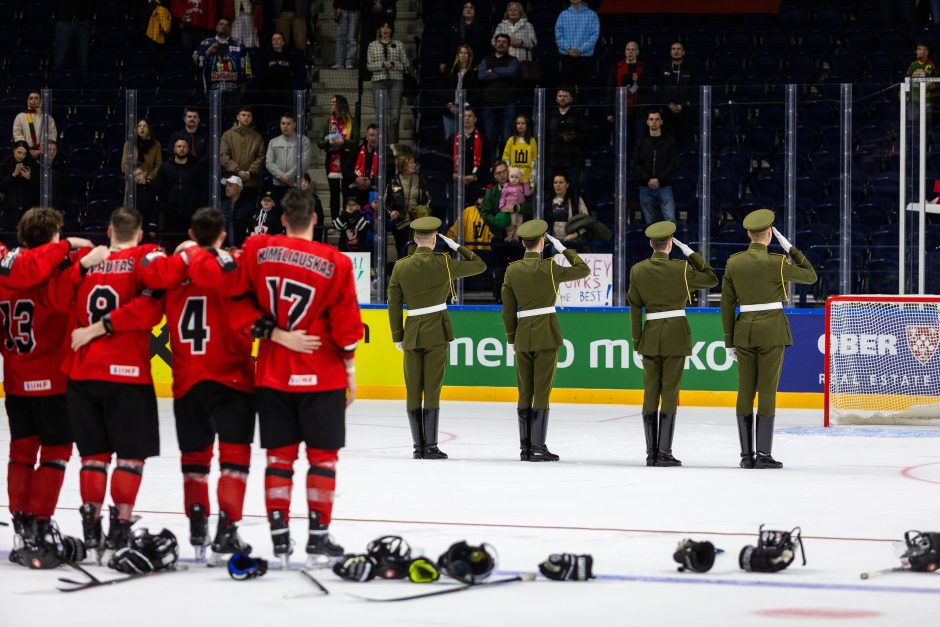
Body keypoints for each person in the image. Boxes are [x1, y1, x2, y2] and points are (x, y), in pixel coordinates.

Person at [187, 188, 363, 569]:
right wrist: (349, 370)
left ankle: (280, 540)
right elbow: (347, 329)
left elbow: (234, 300)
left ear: (282, 219)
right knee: (323, 460)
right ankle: (317, 539)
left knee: (279, 459)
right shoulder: (335, 261)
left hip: (273, 373)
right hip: (322, 372)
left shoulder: (257, 248)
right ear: (315, 219)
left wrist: (271, 332)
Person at [127, 207, 312, 563]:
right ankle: (226, 532)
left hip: (186, 381)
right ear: (224, 235)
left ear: (191, 234)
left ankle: (197, 528)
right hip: (234, 379)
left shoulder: (173, 274)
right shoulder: (235, 270)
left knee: (194, 462)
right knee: (234, 462)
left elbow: (147, 294)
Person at [50, 207, 165, 564]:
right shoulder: (145, 257)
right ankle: (119, 527)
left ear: (109, 231)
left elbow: (55, 299)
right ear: (140, 233)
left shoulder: (87, 260)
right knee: (130, 458)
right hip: (126, 373)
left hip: (82, 373)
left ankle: (90, 528)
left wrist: (80, 266)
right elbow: (150, 311)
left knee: (93, 458)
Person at [3, 209, 100, 568]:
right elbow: (63, 295)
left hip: (15, 380)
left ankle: (21, 525)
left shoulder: (9, 275)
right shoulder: (49, 276)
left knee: (21, 453)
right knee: (56, 453)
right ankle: (41, 525)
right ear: (53, 238)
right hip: (52, 381)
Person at [721, 209, 817, 469]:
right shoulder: (777, 261)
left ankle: (745, 456)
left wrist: (729, 340)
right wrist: (790, 249)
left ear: (749, 234)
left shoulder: (734, 262)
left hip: (744, 332)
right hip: (772, 330)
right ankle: (763, 455)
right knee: (766, 391)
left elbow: (727, 305)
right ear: (769, 236)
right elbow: (810, 275)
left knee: (744, 390)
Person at [387, 214, 487, 459]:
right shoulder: (444, 262)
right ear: (434, 239)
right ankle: (430, 446)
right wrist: (456, 246)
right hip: (436, 332)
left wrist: (397, 336)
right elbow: (480, 264)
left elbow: (393, 304)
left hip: (411, 333)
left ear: (413, 239)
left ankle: (417, 447)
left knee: (413, 389)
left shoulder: (401, 266)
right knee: (432, 389)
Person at [628, 221, 718, 467]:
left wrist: (637, 342)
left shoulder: (637, 270)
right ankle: (664, 452)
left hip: (650, 335)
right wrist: (689, 252)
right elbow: (711, 278)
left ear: (650, 243)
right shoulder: (681, 268)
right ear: (670, 244)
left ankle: (651, 453)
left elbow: (635, 310)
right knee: (669, 393)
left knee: (650, 392)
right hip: (676, 335)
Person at [501, 219, 589, 462]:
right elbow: (583, 269)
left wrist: (511, 337)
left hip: (522, 335)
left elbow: (507, 310)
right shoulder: (551, 268)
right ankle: (538, 446)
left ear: (521, 242)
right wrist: (561, 247)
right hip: (546, 334)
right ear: (542, 242)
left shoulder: (512, 269)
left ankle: (526, 448)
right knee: (541, 391)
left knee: (524, 391)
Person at [366, 20, 412, 146]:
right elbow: (369, 66)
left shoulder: (398, 44)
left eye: (388, 27)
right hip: (378, 81)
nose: (385, 30)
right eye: (383, 27)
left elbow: (406, 65)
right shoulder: (372, 45)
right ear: (379, 30)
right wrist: (382, 64)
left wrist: (393, 64)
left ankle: (392, 144)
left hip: (396, 81)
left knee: (395, 115)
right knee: (380, 115)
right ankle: (382, 144)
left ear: (391, 30)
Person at [477, 34, 521, 157]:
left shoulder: (513, 60)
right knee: (490, 138)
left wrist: (494, 70)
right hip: (489, 103)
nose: (501, 44)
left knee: (508, 138)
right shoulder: (486, 60)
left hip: (508, 103)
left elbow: (512, 72)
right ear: (494, 44)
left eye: (504, 42)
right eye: (499, 41)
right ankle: (490, 168)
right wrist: (502, 72)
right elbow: (481, 76)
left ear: (508, 45)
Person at [318, 95, 358, 223]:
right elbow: (320, 142)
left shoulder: (352, 121)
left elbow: (356, 142)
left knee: (347, 192)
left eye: (334, 102)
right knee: (334, 193)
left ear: (341, 105)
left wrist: (343, 143)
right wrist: (329, 143)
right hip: (332, 159)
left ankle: (347, 220)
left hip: (347, 159)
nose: (331, 104)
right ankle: (335, 222)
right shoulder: (327, 122)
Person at [154, 138, 204, 240]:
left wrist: (197, 207)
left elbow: (202, 188)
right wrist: (164, 206)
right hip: (170, 215)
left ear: (189, 149)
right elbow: (158, 188)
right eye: (179, 146)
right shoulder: (165, 167)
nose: (182, 149)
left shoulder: (196, 167)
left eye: (184, 146)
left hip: (191, 214)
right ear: (174, 149)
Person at [634, 110, 677, 225]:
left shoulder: (669, 142)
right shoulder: (641, 142)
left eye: (657, 119)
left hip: (664, 186)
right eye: (651, 119)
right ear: (647, 122)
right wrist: (648, 179)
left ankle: (669, 243)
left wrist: (659, 179)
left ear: (661, 122)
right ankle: (653, 244)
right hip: (645, 186)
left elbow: (673, 164)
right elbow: (636, 164)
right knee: (650, 222)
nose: (654, 122)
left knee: (670, 219)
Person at [385, 154, 430, 258]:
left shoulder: (420, 179)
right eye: (411, 163)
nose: (414, 165)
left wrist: (422, 210)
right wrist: (391, 211)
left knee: (416, 247)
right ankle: (402, 270)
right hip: (400, 220)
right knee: (401, 248)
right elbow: (385, 201)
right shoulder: (393, 181)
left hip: (416, 218)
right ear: (403, 166)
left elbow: (428, 198)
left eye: (414, 162)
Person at [121, 119, 163, 228]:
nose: (142, 128)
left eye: (145, 126)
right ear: (136, 129)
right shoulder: (129, 144)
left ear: (149, 129)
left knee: (149, 210)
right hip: (132, 183)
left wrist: (148, 177)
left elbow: (159, 165)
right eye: (139, 126)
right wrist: (136, 175)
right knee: (130, 214)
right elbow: (124, 165)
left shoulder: (156, 145)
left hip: (149, 183)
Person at [265, 112, 313, 205]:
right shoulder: (273, 142)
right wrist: (281, 176)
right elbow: (269, 162)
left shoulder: (304, 141)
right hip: (277, 185)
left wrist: (288, 176)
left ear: (294, 125)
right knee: (278, 215)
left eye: (288, 123)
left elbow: (305, 161)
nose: (285, 126)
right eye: (283, 123)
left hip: (296, 185)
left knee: (294, 215)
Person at [606, 40, 645, 153]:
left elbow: (649, 87)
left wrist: (639, 80)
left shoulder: (643, 67)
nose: (630, 52)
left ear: (637, 52)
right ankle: (624, 166)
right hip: (621, 110)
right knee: (623, 140)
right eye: (628, 49)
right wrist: (609, 111)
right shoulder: (617, 67)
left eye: (633, 49)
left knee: (639, 139)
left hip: (639, 111)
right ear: (625, 52)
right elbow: (610, 90)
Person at [554, 0, 599, 96]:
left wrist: (581, 50)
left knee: (584, 91)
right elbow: (558, 35)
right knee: (566, 90)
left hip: (585, 59)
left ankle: (583, 110)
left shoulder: (592, 15)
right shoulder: (563, 15)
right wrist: (568, 49)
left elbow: (594, 36)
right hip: (567, 58)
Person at [194, 17, 251, 92]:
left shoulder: (239, 44)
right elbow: (195, 61)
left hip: (234, 90)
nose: (224, 26)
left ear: (229, 29)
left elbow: (247, 64)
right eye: (221, 24)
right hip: (212, 90)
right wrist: (208, 52)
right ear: (216, 28)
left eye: (227, 25)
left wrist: (245, 83)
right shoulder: (206, 43)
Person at [655, 42, 695, 148]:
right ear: (670, 52)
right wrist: (668, 104)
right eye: (673, 49)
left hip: (685, 111)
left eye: (679, 49)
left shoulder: (690, 69)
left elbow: (694, 91)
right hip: (668, 111)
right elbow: (659, 90)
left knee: (685, 142)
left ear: (683, 52)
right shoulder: (663, 68)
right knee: (668, 142)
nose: (676, 51)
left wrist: (682, 105)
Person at [220, 107, 265, 198]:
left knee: (249, 210)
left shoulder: (257, 136)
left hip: (251, 182)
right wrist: (238, 171)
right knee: (230, 210)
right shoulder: (227, 135)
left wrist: (250, 172)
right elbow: (224, 156)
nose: (246, 117)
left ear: (252, 118)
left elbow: (261, 156)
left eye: (249, 115)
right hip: (232, 180)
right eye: (243, 115)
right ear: (237, 117)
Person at [546, 87, 584, 192]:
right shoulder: (549, 115)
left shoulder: (577, 115)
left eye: (566, 96)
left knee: (573, 191)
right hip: (553, 161)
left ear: (571, 98)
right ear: (556, 98)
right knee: (551, 192)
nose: (562, 98)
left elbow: (586, 136)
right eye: (560, 96)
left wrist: (574, 137)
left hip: (572, 161)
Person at [450, 109, 488, 210]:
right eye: (464, 116)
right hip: (456, 183)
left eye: (470, 116)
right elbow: (446, 160)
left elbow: (487, 162)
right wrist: (453, 175)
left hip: (475, 183)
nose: (466, 118)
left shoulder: (483, 138)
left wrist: (475, 176)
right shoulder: (452, 138)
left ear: (475, 119)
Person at [442, 44, 480, 141]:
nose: (463, 55)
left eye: (466, 53)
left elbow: (476, 92)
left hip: (466, 111)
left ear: (469, 56)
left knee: (465, 139)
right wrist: (450, 105)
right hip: (451, 111)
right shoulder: (451, 71)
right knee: (450, 138)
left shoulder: (473, 73)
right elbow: (444, 90)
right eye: (461, 53)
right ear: (458, 55)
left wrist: (467, 107)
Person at [440, 2, 490, 75]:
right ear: (462, 11)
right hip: (455, 62)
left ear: (475, 11)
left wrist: (482, 63)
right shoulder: (453, 26)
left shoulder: (482, 28)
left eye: (471, 7)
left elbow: (486, 46)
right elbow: (446, 44)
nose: (468, 9)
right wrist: (443, 61)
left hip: (474, 63)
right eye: (466, 7)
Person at [0, 142, 39, 222]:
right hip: (10, 208)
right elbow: (1, 187)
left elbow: (37, 189)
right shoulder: (5, 164)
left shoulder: (30, 164)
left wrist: (29, 178)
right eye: (19, 152)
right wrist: (14, 174)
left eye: (24, 154)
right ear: (14, 150)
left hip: (27, 209)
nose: (21, 156)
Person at [12, 92, 58, 159]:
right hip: (25, 153)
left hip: (43, 153)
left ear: (41, 101)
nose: (33, 100)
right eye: (31, 98)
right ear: (28, 101)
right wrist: (26, 150)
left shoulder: (48, 118)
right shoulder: (20, 117)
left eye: (36, 98)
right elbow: (18, 135)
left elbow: (52, 135)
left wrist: (42, 150)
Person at [52, 0, 92, 77]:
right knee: (59, 59)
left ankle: (83, 86)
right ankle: (55, 84)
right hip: (64, 21)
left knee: (83, 61)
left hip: (82, 22)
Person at [547, 172, 587, 241]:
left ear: (567, 185)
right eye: (555, 182)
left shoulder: (576, 200)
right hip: (553, 240)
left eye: (561, 182)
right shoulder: (547, 201)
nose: (557, 185)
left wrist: (576, 234)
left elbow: (586, 221)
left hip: (573, 240)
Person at [220, 175, 256, 247]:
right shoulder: (223, 205)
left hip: (241, 248)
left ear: (239, 189)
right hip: (225, 248)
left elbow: (251, 229)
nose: (227, 188)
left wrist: (240, 246)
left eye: (230, 185)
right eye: (226, 186)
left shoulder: (248, 207)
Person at [502, 114, 537, 184]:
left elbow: (535, 162)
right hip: (513, 181)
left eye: (523, 123)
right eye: (518, 123)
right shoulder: (511, 140)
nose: (520, 125)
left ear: (527, 125)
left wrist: (532, 181)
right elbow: (506, 160)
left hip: (526, 181)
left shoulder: (532, 141)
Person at [499, 167, 530, 242]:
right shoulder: (507, 186)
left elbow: (527, 193)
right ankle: (509, 236)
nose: (514, 179)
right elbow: (503, 197)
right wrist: (501, 206)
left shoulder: (522, 186)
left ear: (520, 178)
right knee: (511, 223)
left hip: (519, 208)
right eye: (512, 177)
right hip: (510, 208)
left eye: (516, 177)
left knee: (519, 223)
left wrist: (525, 184)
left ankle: (516, 236)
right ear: (509, 177)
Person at [332, 0, 361, 69]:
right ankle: (339, 62)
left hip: (355, 9)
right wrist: (336, 7)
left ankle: (350, 62)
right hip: (342, 9)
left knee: (352, 37)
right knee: (341, 36)